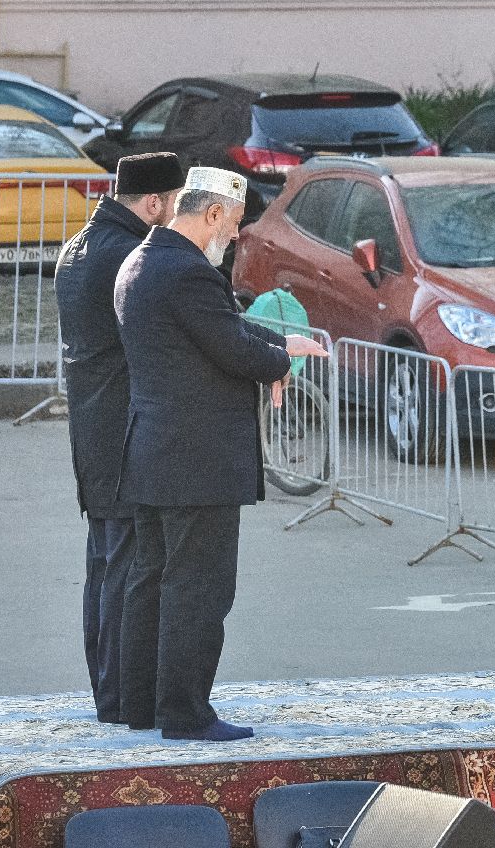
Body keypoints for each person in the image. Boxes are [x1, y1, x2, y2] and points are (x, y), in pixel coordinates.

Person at [114, 167, 326, 741]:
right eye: (233, 224)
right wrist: (279, 361)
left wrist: (277, 345)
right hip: (196, 459)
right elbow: (230, 346)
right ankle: (184, 713)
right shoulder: (187, 272)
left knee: (152, 579)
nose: (235, 236)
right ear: (211, 214)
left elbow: (217, 332)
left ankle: (141, 704)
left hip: (155, 450)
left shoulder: (143, 260)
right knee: (198, 588)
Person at [54, 152, 184, 725]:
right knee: (128, 570)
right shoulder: (129, 254)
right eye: (176, 204)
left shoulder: (79, 246)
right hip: (126, 431)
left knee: (107, 566)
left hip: (94, 429)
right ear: (154, 202)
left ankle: (110, 692)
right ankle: (123, 697)